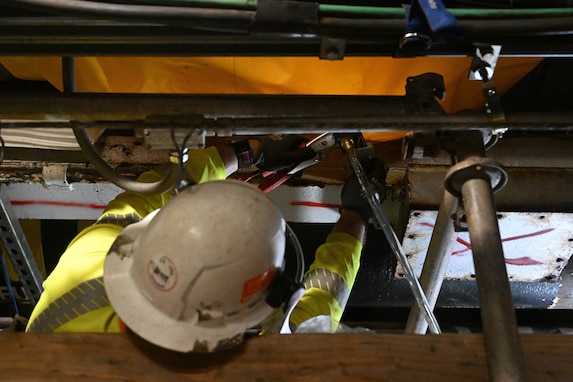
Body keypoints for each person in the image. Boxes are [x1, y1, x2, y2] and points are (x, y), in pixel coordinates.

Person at [25, 134, 387, 352]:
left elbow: (148, 197)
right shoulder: (264, 361)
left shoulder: (93, 268)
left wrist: (247, 152)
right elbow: (318, 309)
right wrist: (356, 213)